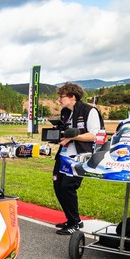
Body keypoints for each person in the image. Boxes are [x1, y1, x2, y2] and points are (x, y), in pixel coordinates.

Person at [53, 82, 104, 235]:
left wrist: (73, 137)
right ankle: (72, 219)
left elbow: (95, 135)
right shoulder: (65, 112)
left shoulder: (90, 111)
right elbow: (65, 132)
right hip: (63, 155)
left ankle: (74, 223)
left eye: (62, 97)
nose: (59, 100)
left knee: (68, 187)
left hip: (80, 156)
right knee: (58, 187)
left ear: (72, 96)